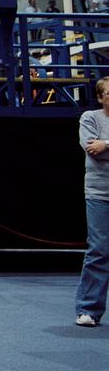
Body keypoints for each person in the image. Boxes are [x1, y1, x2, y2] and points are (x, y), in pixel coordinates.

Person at [75, 76, 109, 327]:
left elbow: (101, 149)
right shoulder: (90, 118)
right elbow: (92, 151)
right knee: (99, 251)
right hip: (99, 194)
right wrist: (99, 147)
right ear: (100, 97)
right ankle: (88, 309)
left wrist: (105, 143)